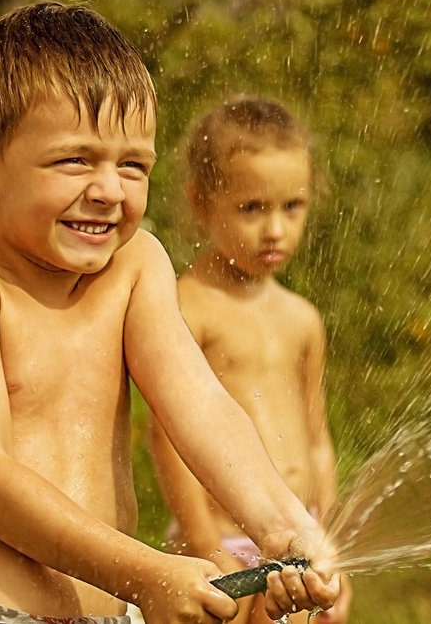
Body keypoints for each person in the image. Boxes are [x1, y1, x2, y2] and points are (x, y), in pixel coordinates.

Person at [0, 3, 339, 624]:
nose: (109, 190)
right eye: (74, 160)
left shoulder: (134, 265)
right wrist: (148, 573)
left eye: (132, 165)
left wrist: (283, 528)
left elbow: (199, 404)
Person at [148, 97, 351, 624]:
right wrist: (205, 544)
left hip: (297, 539)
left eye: (292, 207)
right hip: (220, 541)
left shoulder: (302, 318)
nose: (276, 229)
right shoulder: (184, 308)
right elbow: (167, 437)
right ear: (200, 201)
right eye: (252, 208)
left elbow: (317, 438)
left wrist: (329, 545)